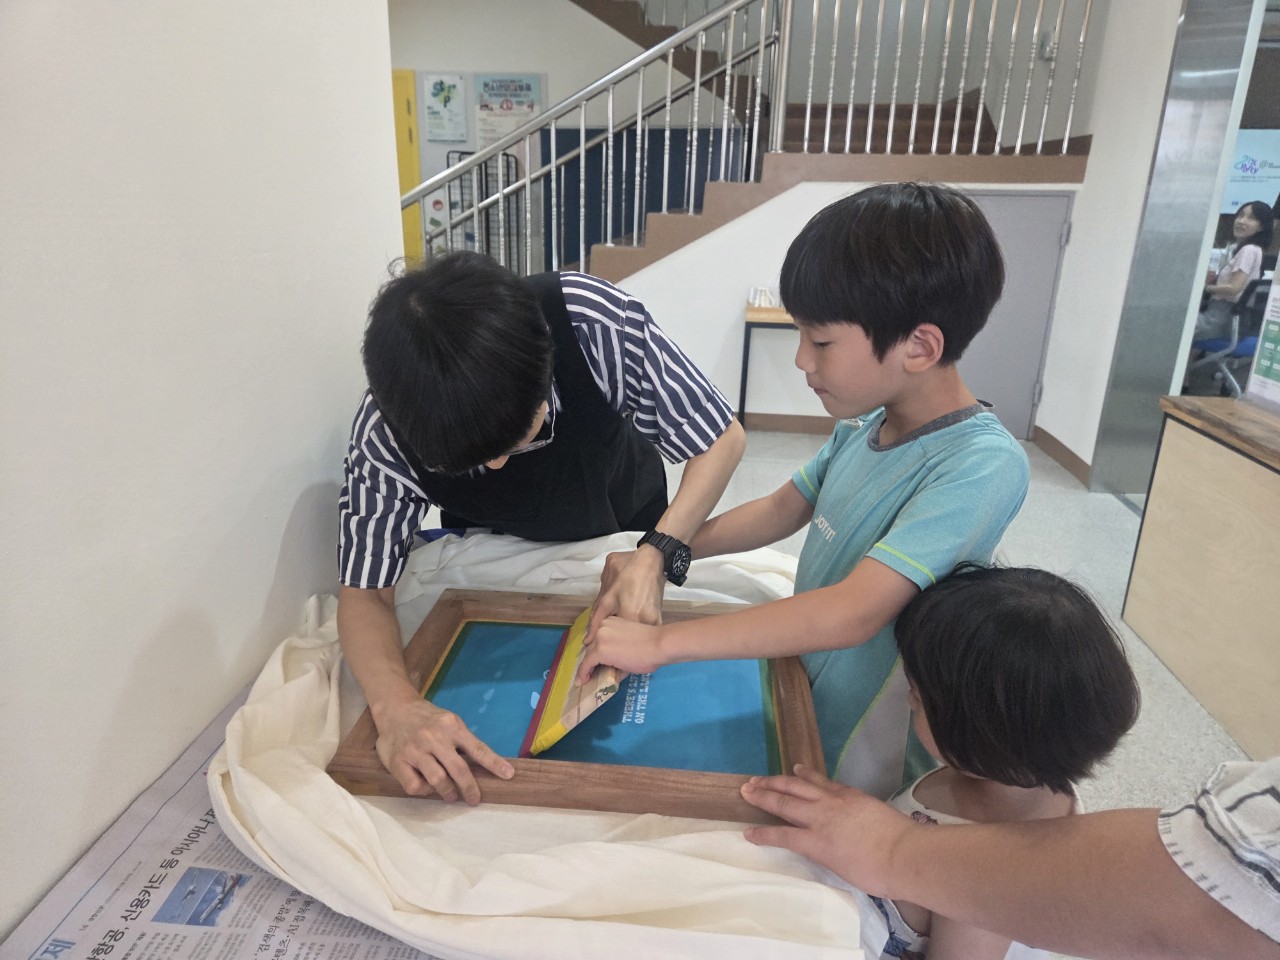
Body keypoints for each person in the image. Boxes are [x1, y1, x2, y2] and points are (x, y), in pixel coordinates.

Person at [579, 182, 1031, 799]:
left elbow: (852, 612)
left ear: (919, 347)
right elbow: (778, 509)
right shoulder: (864, 428)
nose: (800, 360)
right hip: (801, 681)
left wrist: (661, 643)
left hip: (870, 739)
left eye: (819, 341)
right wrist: (658, 551)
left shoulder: (981, 465)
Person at [339, 251, 746, 804]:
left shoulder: (589, 321)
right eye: (474, 460)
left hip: (624, 524)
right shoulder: (385, 430)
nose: (499, 466)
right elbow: (365, 591)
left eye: (518, 438)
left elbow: (720, 439)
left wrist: (655, 554)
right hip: (500, 555)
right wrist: (395, 706)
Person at [750, 564, 1143, 959]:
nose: (908, 701)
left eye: (918, 697)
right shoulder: (1019, 775)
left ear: (979, 737)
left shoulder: (983, 886)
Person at [740, 760, 1280, 960]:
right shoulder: (1003, 787)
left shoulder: (983, 872)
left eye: (920, 697)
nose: (908, 702)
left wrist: (891, 852)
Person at [1195, 200, 1273, 341]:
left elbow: (1233, 288)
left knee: (1171, 322)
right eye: (1240, 215)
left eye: (1251, 218)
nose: (1241, 221)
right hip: (1232, 320)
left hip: (1220, 318)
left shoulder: (1248, 250)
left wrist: (1206, 288)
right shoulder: (1256, 250)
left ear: (1261, 227)